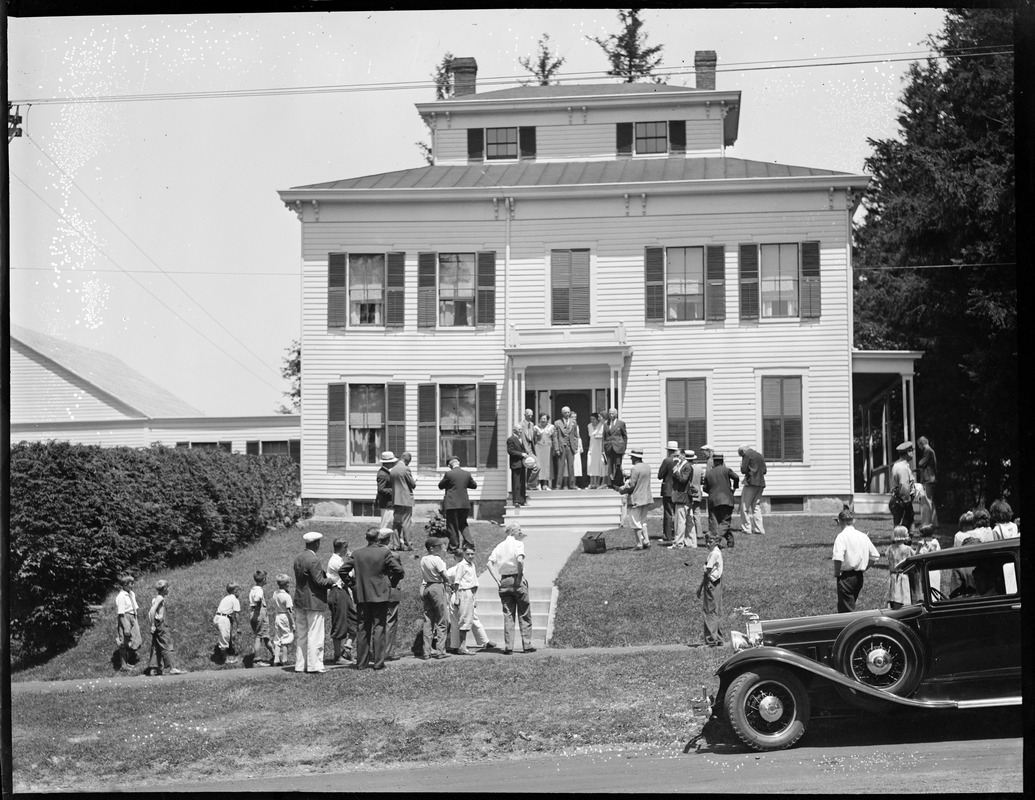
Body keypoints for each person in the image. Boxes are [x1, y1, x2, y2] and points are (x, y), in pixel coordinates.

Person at [346, 526, 405, 670]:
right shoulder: (384, 552)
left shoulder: (357, 553)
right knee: (379, 628)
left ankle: (361, 663)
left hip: (362, 595)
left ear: (366, 538)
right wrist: (391, 583)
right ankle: (378, 662)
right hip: (380, 595)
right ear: (378, 538)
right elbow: (399, 570)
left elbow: (343, 570)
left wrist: (353, 584)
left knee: (362, 629)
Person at [487, 523, 536, 654]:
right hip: (516, 579)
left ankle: (509, 647)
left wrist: (498, 580)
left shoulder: (499, 546)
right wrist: (520, 576)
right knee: (524, 612)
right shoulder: (518, 544)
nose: (520, 533)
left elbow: (489, 563)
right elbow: (520, 560)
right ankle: (527, 644)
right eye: (519, 530)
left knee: (508, 615)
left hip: (504, 580)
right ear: (512, 532)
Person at [292, 530, 333, 673]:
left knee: (302, 634)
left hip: (300, 599)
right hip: (314, 601)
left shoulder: (298, 557)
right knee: (315, 634)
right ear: (316, 543)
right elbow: (319, 581)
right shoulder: (314, 560)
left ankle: (300, 665)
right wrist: (332, 581)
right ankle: (314, 665)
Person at [446, 545, 496, 654]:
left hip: (468, 593)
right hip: (461, 593)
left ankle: (458, 645)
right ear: (463, 555)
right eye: (467, 554)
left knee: (468, 619)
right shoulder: (460, 566)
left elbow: (474, 583)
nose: (470, 556)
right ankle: (459, 646)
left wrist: (474, 598)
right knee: (464, 620)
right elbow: (456, 581)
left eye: (472, 554)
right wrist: (456, 595)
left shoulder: (471, 565)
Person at [831, 506, 880, 613]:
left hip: (846, 576)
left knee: (846, 610)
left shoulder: (841, 536)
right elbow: (875, 556)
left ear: (839, 521)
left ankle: (849, 628)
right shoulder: (863, 536)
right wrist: (864, 568)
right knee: (850, 603)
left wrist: (837, 573)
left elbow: (838, 557)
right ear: (853, 521)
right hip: (858, 577)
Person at [418, 537, 452, 660]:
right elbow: (444, 575)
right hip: (437, 587)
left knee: (428, 620)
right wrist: (449, 582)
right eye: (438, 546)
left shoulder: (424, 559)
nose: (441, 548)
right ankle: (440, 650)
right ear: (431, 548)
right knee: (442, 619)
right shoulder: (436, 559)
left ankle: (426, 651)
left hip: (427, 586)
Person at [439, 456, 478, 553]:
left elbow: (440, 486)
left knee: (452, 526)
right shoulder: (467, 474)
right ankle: (470, 544)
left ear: (449, 465)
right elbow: (474, 485)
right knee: (463, 524)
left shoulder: (449, 474)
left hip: (452, 504)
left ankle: (454, 547)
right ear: (458, 463)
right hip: (464, 504)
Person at [146, 579, 185, 676]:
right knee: (167, 644)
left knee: (156, 646)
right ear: (165, 589)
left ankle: (154, 669)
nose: (169, 590)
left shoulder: (155, 598)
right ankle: (172, 668)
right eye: (168, 588)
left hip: (157, 624)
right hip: (161, 625)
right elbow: (151, 611)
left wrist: (153, 624)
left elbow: (151, 612)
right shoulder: (160, 598)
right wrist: (153, 625)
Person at [326, 537, 355, 664]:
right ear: (343, 548)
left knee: (354, 620)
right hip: (337, 592)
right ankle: (337, 656)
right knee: (339, 623)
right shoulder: (336, 562)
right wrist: (352, 558)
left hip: (344, 592)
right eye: (346, 548)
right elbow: (351, 574)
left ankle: (347, 649)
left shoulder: (340, 560)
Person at [703, 453, 739, 549]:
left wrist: (712, 491)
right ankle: (716, 539)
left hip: (713, 501)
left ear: (714, 462)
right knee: (725, 522)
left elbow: (705, 488)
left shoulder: (709, 473)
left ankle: (729, 542)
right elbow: (736, 477)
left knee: (716, 522)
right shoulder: (726, 470)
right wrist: (734, 488)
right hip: (726, 499)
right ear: (722, 461)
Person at [619, 448, 653, 550]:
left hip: (636, 498)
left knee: (635, 522)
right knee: (643, 521)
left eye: (632, 457)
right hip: (646, 497)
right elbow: (640, 480)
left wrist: (622, 490)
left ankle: (639, 544)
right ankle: (646, 541)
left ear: (635, 457)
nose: (631, 460)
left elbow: (633, 486)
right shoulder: (647, 467)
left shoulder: (635, 468)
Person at [378, 528, 404, 662]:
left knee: (377, 622)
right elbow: (400, 572)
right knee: (390, 622)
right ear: (388, 540)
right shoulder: (393, 555)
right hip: (391, 591)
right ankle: (388, 652)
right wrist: (393, 583)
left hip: (376, 592)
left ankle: (377, 651)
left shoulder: (372, 553)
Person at [697, 537, 726, 646]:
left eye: (710, 542)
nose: (708, 544)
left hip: (711, 583)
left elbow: (707, 571)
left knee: (709, 611)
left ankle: (710, 640)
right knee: (717, 610)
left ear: (716, 542)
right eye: (706, 541)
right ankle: (718, 638)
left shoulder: (714, 554)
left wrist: (700, 587)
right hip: (717, 583)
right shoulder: (718, 552)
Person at [114, 573, 142, 670]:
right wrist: (126, 626)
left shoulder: (131, 594)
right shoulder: (121, 596)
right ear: (125, 585)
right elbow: (121, 613)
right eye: (131, 583)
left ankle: (128, 658)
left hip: (132, 617)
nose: (132, 585)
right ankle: (123, 665)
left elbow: (135, 607)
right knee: (124, 641)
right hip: (125, 617)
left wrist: (135, 619)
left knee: (137, 640)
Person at [389, 452, 416, 551]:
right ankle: (407, 544)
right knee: (406, 523)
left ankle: (396, 544)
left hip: (396, 499)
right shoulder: (406, 469)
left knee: (396, 523)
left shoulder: (393, 470)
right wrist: (415, 481)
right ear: (407, 460)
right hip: (405, 499)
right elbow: (412, 484)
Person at [738, 444, 767, 536]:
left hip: (751, 482)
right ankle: (759, 529)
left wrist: (741, 465)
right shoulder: (760, 455)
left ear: (743, 451)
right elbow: (765, 471)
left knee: (745, 506)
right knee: (756, 506)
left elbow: (743, 470)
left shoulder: (747, 455)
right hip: (760, 483)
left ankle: (747, 529)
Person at [248, 570, 275, 666]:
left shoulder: (252, 589)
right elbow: (257, 598)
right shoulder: (259, 590)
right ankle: (257, 660)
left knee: (265, 636)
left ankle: (275, 655)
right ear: (264, 579)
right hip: (260, 614)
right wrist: (258, 601)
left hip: (253, 614)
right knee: (259, 637)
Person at [670, 448, 695, 549]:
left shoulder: (687, 466)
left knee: (681, 521)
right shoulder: (679, 465)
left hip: (683, 497)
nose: (675, 458)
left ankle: (679, 543)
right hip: (682, 496)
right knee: (688, 520)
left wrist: (676, 472)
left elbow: (683, 480)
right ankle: (690, 543)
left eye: (677, 455)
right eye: (674, 456)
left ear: (683, 456)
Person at [889, 441, 916, 531]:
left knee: (899, 529)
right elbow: (904, 487)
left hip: (897, 500)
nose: (913, 452)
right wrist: (907, 503)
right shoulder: (903, 468)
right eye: (911, 450)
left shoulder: (898, 464)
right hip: (902, 502)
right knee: (903, 531)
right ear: (908, 452)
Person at [884, 526, 914, 609]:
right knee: (903, 598)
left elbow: (886, 555)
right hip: (903, 576)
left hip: (892, 575)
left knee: (893, 597)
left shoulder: (890, 548)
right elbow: (916, 557)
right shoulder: (908, 549)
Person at [213, 582, 241, 665]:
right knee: (225, 638)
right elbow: (236, 614)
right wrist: (238, 626)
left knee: (224, 637)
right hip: (223, 619)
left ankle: (225, 656)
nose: (240, 593)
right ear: (235, 591)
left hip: (218, 617)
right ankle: (225, 660)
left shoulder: (226, 598)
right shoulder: (235, 600)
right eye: (239, 590)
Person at [269, 574, 294, 667]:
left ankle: (276, 659)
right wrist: (293, 623)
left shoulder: (275, 593)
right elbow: (289, 611)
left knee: (277, 638)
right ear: (287, 584)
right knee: (286, 638)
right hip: (285, 616)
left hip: (277, 615)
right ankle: (284, 659)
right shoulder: (287, 596)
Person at [658, 441, 679, 545]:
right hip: (677, 490)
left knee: (668, 513)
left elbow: (660, 475)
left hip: (668, 489)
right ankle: (676, 533)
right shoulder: (679, 460)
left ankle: (667, 535)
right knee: (677, 513)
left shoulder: (667, 461)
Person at [553, 406, 578, 490]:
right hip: (561, 446)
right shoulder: (557, 423)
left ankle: (572, 484)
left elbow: (575, 436)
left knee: (571, 466)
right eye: (565, 412)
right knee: (561, 466)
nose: (567, 414)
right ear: (562, 413)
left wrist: (576, 446)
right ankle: (558, 485)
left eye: (568, 412)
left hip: (570, 447)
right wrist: (556, 448)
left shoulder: (573, 422)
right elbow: (555, 437)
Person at [603, 407, 628, 488]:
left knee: (618, 465)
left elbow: (625, 436)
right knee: (609, 465)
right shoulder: (606, 424)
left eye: (613, 413)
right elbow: (604, 436)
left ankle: (618, 482)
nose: (611, 415)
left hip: (618, 447)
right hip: (609, 447)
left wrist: (624, 447)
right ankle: (609, 483)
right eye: (610, 413)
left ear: (616, 414)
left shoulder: (621, 423)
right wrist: (604, 447)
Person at [916, 436, 938, 526]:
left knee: (926, 501)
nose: (919, 447)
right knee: (930, 501)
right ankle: (934, 523)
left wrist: (919, 466)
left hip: (928, 479)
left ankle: (927, 523)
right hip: (931, 478)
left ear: (923, 443)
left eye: (919, 445)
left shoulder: (927, 451)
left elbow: (921, 463)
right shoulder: (931, 451)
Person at [507, 424, 530, 507]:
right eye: (519, 430)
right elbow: (510, 451)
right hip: (515, 464)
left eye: (521, 430)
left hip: (522, 464)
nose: (520, 431)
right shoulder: (511, 439)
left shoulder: (521, 439)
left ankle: (522, 500)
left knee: (522, 483)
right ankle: (516, 501)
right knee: (516, 483)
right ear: (514, 430)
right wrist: (521, 454)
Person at [533, 413, 555, 490]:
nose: (543, 420)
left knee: (547, 465)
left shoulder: (551, 427)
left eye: (544, 419)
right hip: (538, 447)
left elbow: (554, 438)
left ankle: (545, 485)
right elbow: (533, 439)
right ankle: (538, 483)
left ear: (547, 420)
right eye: (541, 418)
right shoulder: (536, 428)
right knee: (539, 465)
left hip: (548, 448)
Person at [375, 451, 396, 532]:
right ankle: (381, 542)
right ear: (387, 463)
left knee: (390, 525)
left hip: (389, 503)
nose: (393, 464)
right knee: (386, 526)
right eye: (392, 462)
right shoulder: (382, 474)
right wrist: (393, 491)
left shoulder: (386, 472)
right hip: (387, 504)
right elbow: (381, 489)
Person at [587, 411, 607, 488]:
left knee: (599, 465)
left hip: (599, 447)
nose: (592, 421)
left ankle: (598, 483)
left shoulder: (601, 425)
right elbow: (591, 435)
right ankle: (592, 483)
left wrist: (599, 436)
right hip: (592, 447)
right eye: (591, 419)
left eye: (594, 419)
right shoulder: (589, 426)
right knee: (591, 465)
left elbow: (603, 435)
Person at [522, 409, 540, 489]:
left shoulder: (532, 424)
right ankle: (530, 484)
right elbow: (522, 439)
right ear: (524, 415)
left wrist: (536, 435)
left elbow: (532, 438)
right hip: (525, 450)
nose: (530, 417)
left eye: (531, 415)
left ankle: (530, 484)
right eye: (528, 415)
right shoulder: (521, 425)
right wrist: (526, 451)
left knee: (535, 466)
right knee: (535, 466)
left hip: (531, 449)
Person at [571, 411, 585, 488]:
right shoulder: (568, 426)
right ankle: (570, 483)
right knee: (570, 466)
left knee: (576, 465)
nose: (574, 419)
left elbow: (578, 436)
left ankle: (574, 483)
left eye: (575, 417)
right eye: (573, 417)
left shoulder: (577, 426)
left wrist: (580, 446)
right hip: (570, 447)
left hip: (577, 447)